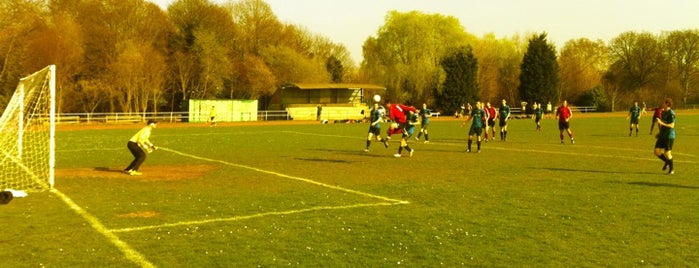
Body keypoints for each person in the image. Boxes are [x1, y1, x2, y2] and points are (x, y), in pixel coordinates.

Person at [654, 98, 676, 175]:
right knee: (656, 151)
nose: (662, 104)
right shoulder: (663, 112)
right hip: (662, 135)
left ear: (667, 104)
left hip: (669, 136)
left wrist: (661, 123)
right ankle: (667, 161)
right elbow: (663, 124)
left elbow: (672, 125)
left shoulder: (671, 113)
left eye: (664, 103)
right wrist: (659, 133)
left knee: (667, 153)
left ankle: (671, 169)